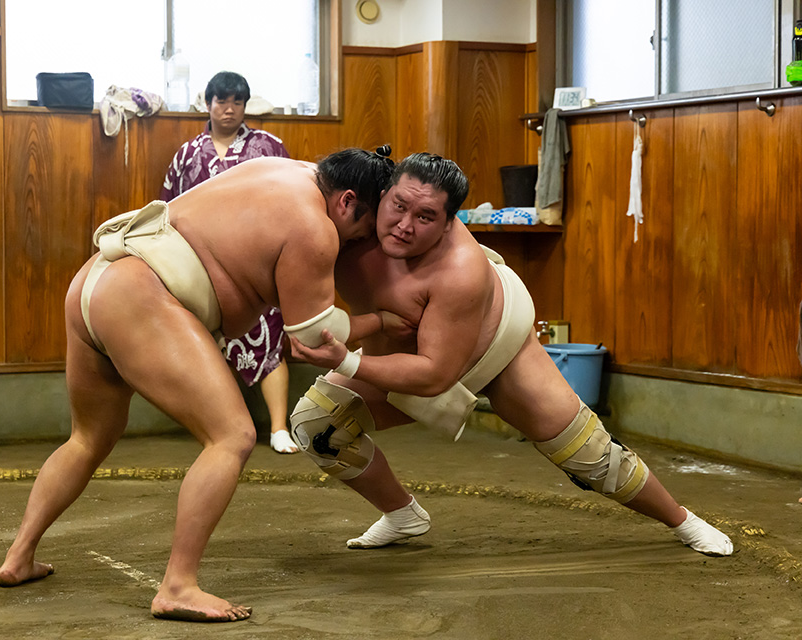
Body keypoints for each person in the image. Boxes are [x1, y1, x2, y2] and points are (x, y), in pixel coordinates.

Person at [0, 148, 395, 623]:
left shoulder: (288, 170)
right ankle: (178, 585)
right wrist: (384, 320)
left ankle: (19, 557)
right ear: (348, 202)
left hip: (95, 279)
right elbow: (311, 339)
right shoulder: (316, 228)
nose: (356, 243)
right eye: (362, 232)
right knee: (232, 436)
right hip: (141, 293)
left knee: (88, 437)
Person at [288, 152, 733, 558]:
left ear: (448, 223)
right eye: (399, 206)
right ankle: (402, 514)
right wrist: (366, 332)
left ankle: (683, 520)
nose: (405, 225)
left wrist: (347, 361)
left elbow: (434, 374)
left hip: (495, 345)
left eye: (425, 216)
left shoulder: (460, 272)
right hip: (403, 347)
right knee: (317, 426)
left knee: (592, 457)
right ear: (382, 192)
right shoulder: (347, 214)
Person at [162, 71, 298, 454]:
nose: (228, 109)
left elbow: (293, 197)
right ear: (208, 104)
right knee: (201, 346)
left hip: (258, 262)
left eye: (236, 102)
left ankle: (278, 428)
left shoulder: (270, 147)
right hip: (199, 263)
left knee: (270, 339)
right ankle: (215, 429)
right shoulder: (188, 154)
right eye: (221, 101)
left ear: (244, 106)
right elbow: (168, 206)